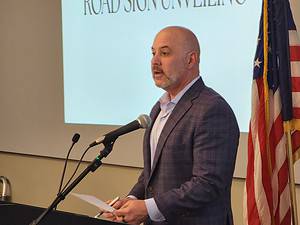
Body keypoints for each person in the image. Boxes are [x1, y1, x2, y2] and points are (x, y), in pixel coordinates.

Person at [103, 26, 240, 225]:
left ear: (191, 60)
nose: (154, 62)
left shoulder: (212, 109)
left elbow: (207, 184)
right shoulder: (158, 108)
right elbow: (153, 173)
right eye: (153, 53)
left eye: (165, 53)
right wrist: (132, 200)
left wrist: (147, 209)